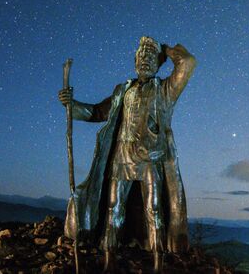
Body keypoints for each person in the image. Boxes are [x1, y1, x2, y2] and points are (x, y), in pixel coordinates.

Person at [58, 37, 197, 273]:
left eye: (150, 58)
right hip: (122, 157)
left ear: (158, 63)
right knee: (114, 206)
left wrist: (165, 50)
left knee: (153, 209)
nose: (144, 61)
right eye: (141, 57)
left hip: (151, 159)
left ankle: (157, 261)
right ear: (134, 62)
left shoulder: (165, 89)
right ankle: (108, 257)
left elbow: (188, 62)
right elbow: (95, 112)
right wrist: (71, 105)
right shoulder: (123, 91)